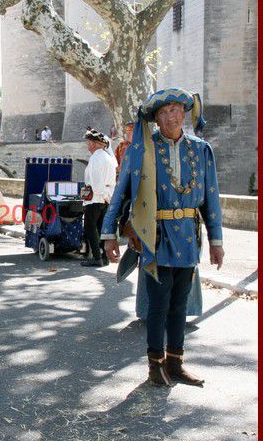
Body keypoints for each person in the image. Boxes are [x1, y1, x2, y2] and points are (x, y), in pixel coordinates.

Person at [102, 88, 224, 387]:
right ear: (156, 119)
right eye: (164, 112)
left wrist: (217, 241)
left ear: (185, 113)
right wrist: (108, 235)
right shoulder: (140, 150)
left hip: (187, 239)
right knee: (158, 305)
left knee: (180, 306)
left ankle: (176, 364)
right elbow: (120, 195)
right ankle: (155, 366)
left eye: (176, 110)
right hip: (154, 238)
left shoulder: (201, 150)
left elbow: (211, 198)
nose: (171, 116)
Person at [81, 128, 117, 266]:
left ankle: (97, 258)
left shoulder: (96, 158)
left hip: (95, 198)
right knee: (102, 228)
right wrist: (108, 197)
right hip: (105, 198)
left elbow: (97, 183)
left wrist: (103, 195)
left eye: (89, 143)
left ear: (95, 144)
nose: (88, 145)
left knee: (90, 228)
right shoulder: (108, 158)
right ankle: (103, 256)